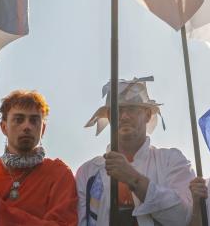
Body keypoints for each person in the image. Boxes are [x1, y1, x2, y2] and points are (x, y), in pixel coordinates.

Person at [76, 76, 195, 225]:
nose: (124, 116)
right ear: (109, 116)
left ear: (147, 115)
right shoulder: (88, 173)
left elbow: (183, 218)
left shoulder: (172, 161)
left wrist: (133, 178)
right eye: (118, 110)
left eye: (132, 109)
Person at [0, 90, 78, 224]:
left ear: (43, 129)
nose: (27, 126)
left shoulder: (59, 173)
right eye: (19, 119)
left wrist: (2, 212)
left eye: (34, 120)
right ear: (3, 127)